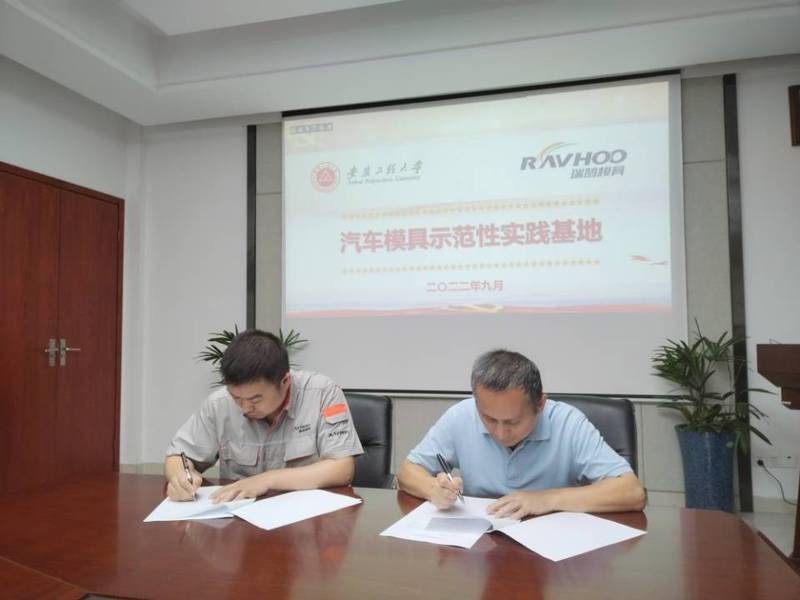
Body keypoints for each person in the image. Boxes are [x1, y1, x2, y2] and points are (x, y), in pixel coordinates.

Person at [397, 349, 646, 518]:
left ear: (540, 404)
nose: (501, 432)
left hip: (551, 545)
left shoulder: (568, 423)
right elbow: (408, 471)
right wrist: (434, 489)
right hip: (481, 541)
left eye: (513, 421)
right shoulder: (461, 415)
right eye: (489, 419)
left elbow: (632, 492)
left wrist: (546, 500)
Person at [164, 329, 363, 503]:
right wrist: (180, 477)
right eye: (236, 397)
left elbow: (342, 468)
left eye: (255, 399)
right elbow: (178, 456)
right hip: (239, 517)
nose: (244, 407)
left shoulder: (322, 393)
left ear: (285, 381)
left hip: (306, 517)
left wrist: (267, 480)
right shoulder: (219, 403)